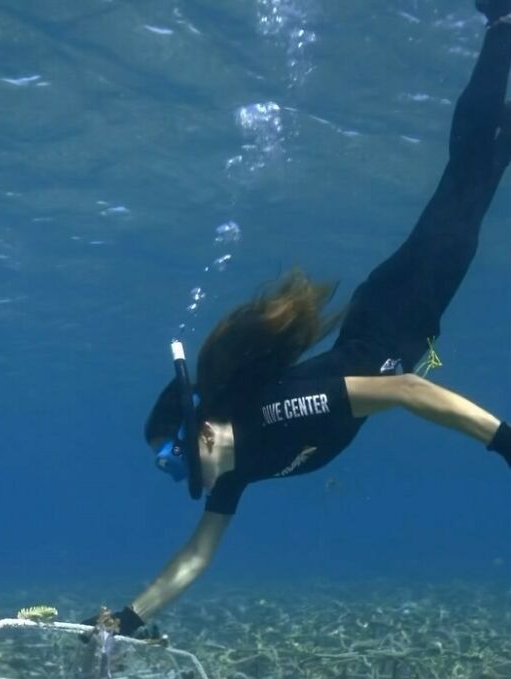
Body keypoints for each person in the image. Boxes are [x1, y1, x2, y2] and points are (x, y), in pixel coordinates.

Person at [88, 1, 511, 638]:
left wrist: (503, 443)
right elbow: (198, 555)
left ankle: (500, 25)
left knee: (471, 177)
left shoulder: (275, 412)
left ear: (200, 433)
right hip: (408, 322)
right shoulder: (240, 466)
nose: (178, 475)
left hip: (402, 305)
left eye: (172, 460)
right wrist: (129, 618)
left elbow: (403, 391)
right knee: (482, 172)